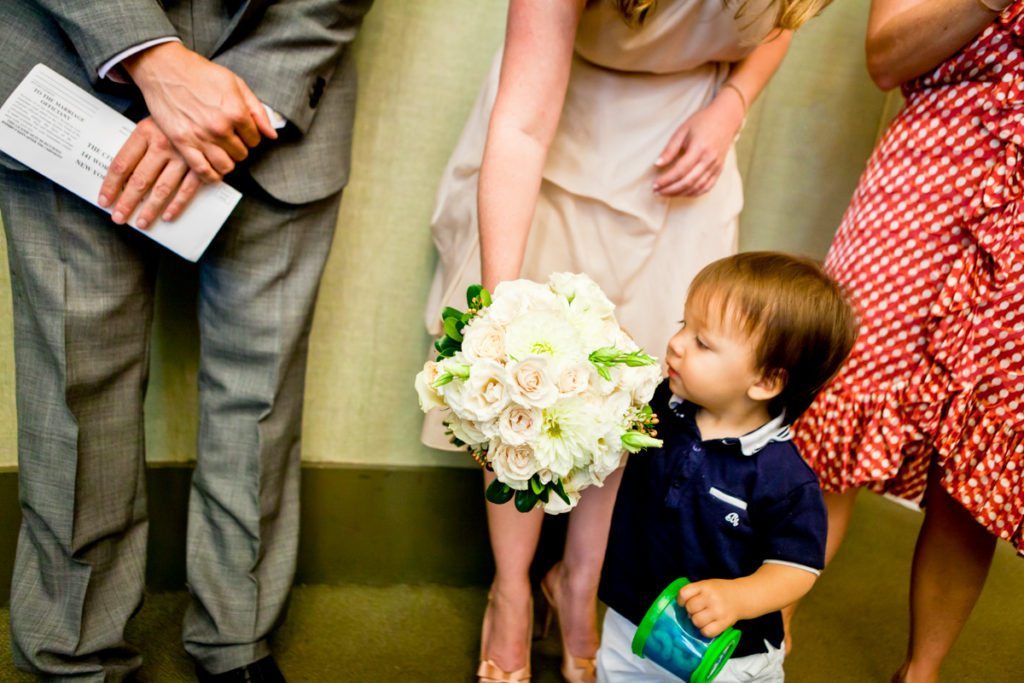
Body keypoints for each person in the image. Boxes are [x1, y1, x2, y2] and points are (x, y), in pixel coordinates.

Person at [423, 1, 831, 681]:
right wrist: (504, 318)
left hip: (686, 137)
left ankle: (581, 583)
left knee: (649, 391)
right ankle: (511, 588)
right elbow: (521, 127)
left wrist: (732, 103)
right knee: (528, 380)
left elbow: (779, 23)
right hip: (558, 124)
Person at [0, 1, 372, 679]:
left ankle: (238, 639)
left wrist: (230, 100)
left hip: (285, 74)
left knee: (260, 391)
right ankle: (74, 657)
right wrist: (151, 58)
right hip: (68, 70)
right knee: (77, 392)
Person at [787, 1, 1024, 680]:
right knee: (841, 397)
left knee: (982, 444)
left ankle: (921, 672)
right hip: (932, 168)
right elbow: (885, 58)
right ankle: (767, 630)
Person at [597, 252, 858, 682]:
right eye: (683, 325)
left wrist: (739, 597)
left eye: (702, 342)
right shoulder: (661, 406)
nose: (677, 343)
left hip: (724, 655)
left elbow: (796, 570)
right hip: (632, 621)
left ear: (765, 381)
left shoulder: (784, 479)